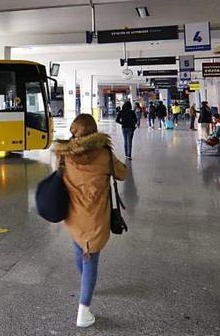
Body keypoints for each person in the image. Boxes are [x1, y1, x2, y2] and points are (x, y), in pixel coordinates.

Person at [53, 114, 128, 328]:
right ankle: (83, 311)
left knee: (79, 249)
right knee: (91, 258)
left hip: (73, 215)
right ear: (94, 131)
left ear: (74, 130)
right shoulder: (104, 153)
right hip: (95, 216)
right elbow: (122, 173)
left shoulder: (64, 154)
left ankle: (87, 282)